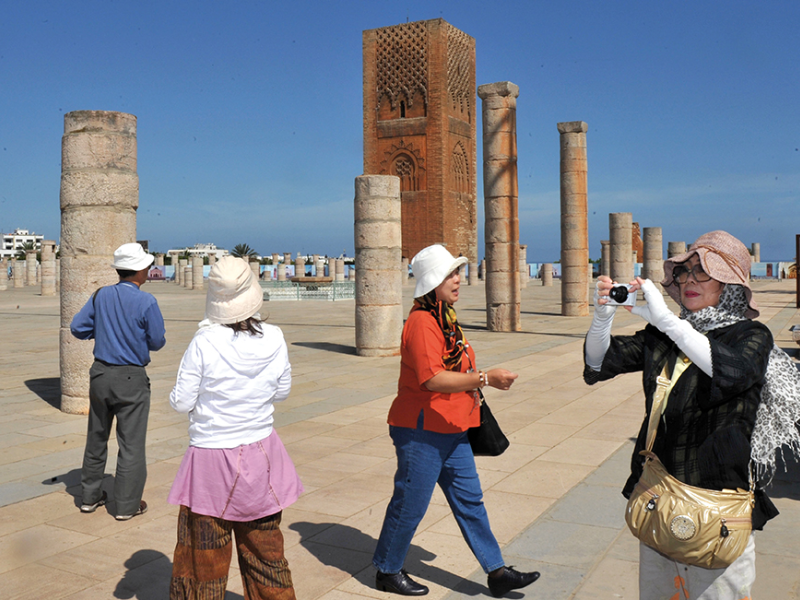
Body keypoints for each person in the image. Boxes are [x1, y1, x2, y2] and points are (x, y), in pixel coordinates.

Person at [584, 230, 800, 599]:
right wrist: (603, 317)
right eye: (683, 273)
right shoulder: (666, 335)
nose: (688, 281)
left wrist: (668, 321)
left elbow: (733, 372)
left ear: (730, 284)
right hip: (660, 497)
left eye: (702, 272)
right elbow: (598, 361)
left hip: (717, 509)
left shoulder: (751, 334)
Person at [372, 244, 540, 598]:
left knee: (470, 500)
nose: (458, 280)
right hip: (421, 430)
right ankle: (387, 570)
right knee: (411, 504)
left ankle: (496, 572)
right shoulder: (422, 322)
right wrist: (484, 379)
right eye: (450, 274)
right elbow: (432, 379)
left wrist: (476, 384)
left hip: (451, 426)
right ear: (432, 282)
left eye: (458, 272)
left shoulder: (444, 316)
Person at [167, 256, 303, 600]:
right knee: (266, 552)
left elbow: (181, 401)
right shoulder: (274, 336)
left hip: (211, 459)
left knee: (203, 559)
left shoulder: (204, 342)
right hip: (261, 454)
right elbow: (282, 391)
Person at [72, 242, 166, 520]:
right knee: (131, 443)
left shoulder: (101, 295)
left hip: (101, 374)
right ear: (139, 271)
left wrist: (101, 332)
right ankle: (126, 506)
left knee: (96, 436)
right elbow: (157, 341)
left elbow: (78, 327)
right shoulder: (146, 301)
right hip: (131, 377)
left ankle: (89, 497)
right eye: (147, 266)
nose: (149, 270)